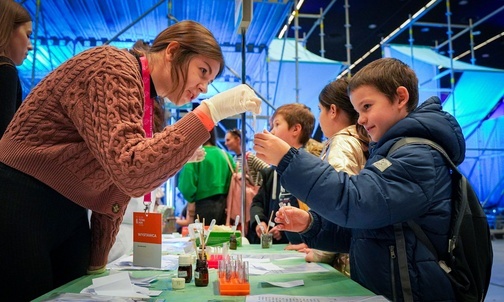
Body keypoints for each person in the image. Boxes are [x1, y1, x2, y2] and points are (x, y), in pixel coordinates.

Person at [0, 20, 261, 301]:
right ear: (173, 51)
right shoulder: (113, 67)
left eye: (210, 81)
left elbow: (116, 185)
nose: (204, 88)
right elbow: (131, 170)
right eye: (202, 71)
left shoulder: (146, 98)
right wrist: (208, 113)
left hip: (68, 207)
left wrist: (98, 259)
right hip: (21, 196)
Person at [254, 57, 464, 301]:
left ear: (400, 97)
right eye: (357, 110)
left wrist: (289, 160)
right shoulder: (390, 151)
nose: (361, 119)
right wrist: (311, 225)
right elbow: (366, 231)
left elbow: (359, 203)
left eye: (366, 107)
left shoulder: (419, 156)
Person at [285, 78, 369, 277]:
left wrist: (319, 253)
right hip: (357, 253)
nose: (320, 117)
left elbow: (337, 204)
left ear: (333, 110)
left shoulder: (342, 143)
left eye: (320, 109)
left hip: (345, 263)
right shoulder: (361, 139)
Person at [248, 103, 314, 245]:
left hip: (303, 246)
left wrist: (285, 230)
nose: (271, 132)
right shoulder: (273, 171)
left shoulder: (309, 168)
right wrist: (260, 222)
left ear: (296, 129)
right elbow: (258, 202)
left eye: (277, 125)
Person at [176, 129, 235, 227]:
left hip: (202, 207)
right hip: (224, 208)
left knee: (201, 239)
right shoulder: (225, 155)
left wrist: (190, 198)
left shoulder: (196, 155)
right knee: (220, 239)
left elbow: (186, 186)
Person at [0, 0, 33, 137]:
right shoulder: (5, 69)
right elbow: (3, 140)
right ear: (8, 29)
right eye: (28, 35)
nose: (30, 46)